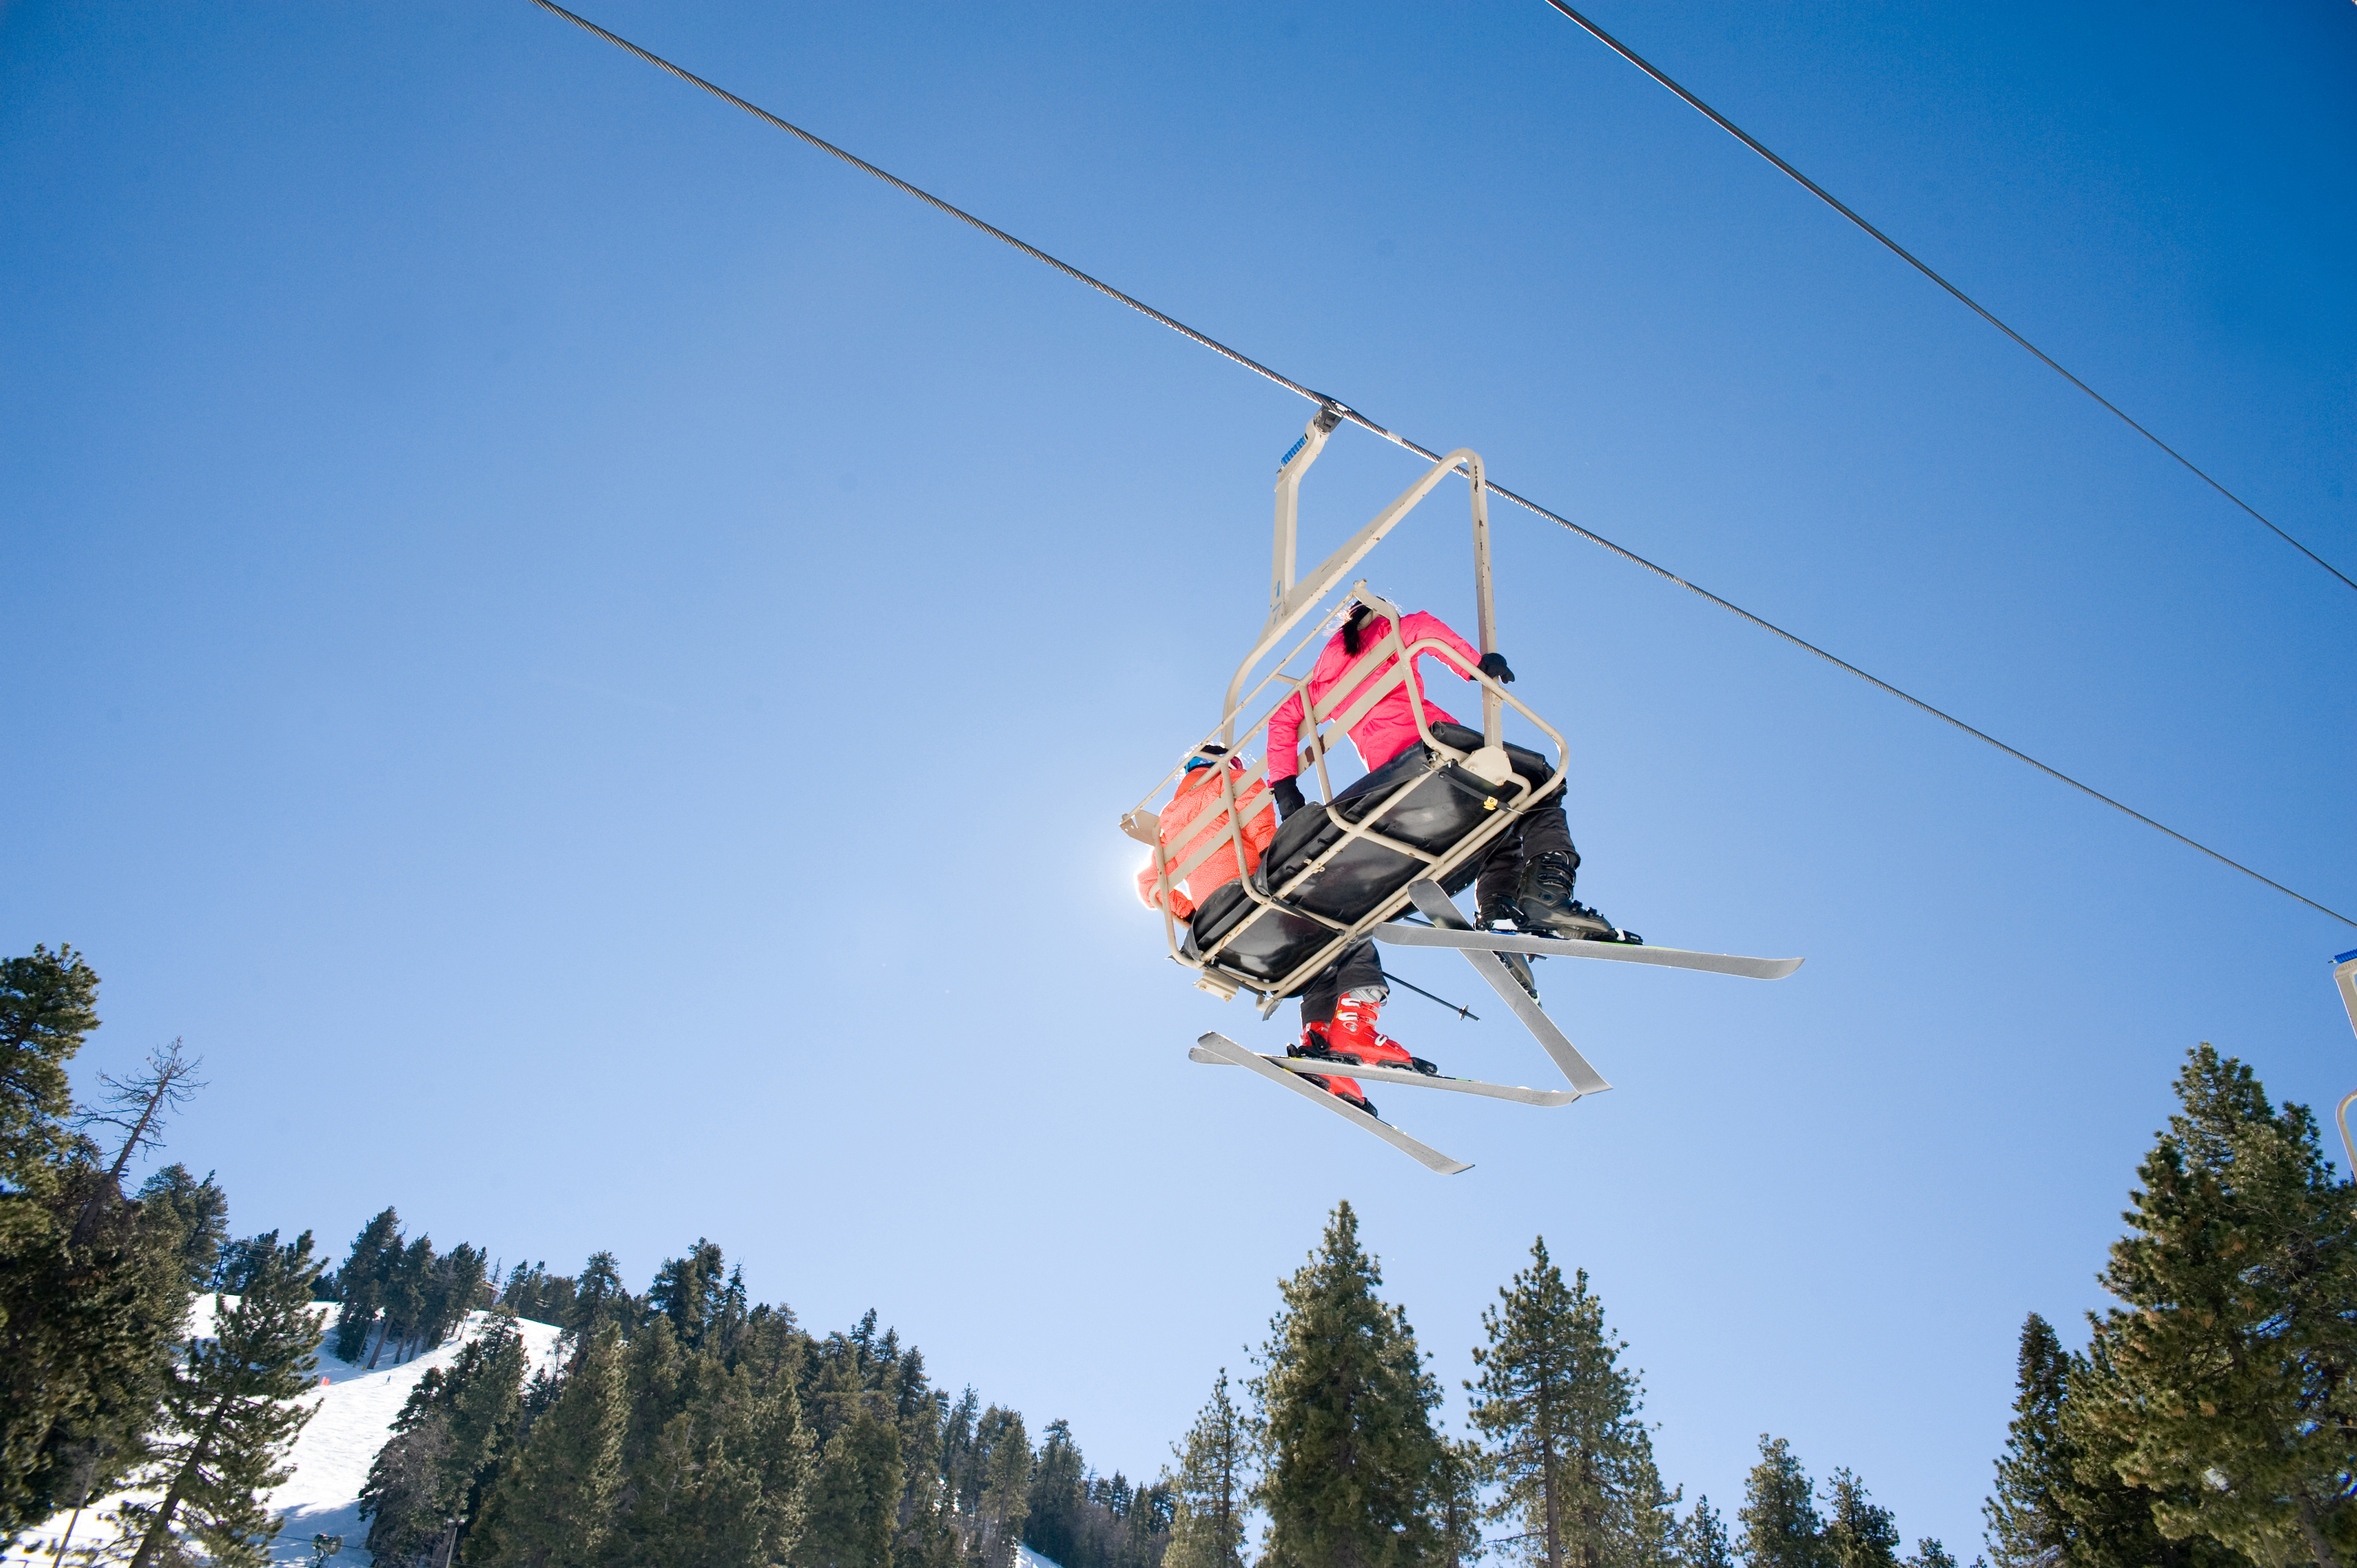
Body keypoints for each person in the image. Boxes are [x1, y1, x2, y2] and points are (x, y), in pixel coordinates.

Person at [1263, 602, 1633, 1108]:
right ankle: (1546, 890)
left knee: (1497, 832)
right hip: (1431, 749)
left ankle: (1503, 918)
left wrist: (1286, 792)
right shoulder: (1397, 628)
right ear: (1377, 611)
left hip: (1385, 789)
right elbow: (1433, 635)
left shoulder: (1321, 677)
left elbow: (1284, 720)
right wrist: (1481, 667)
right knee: (1541, 780)